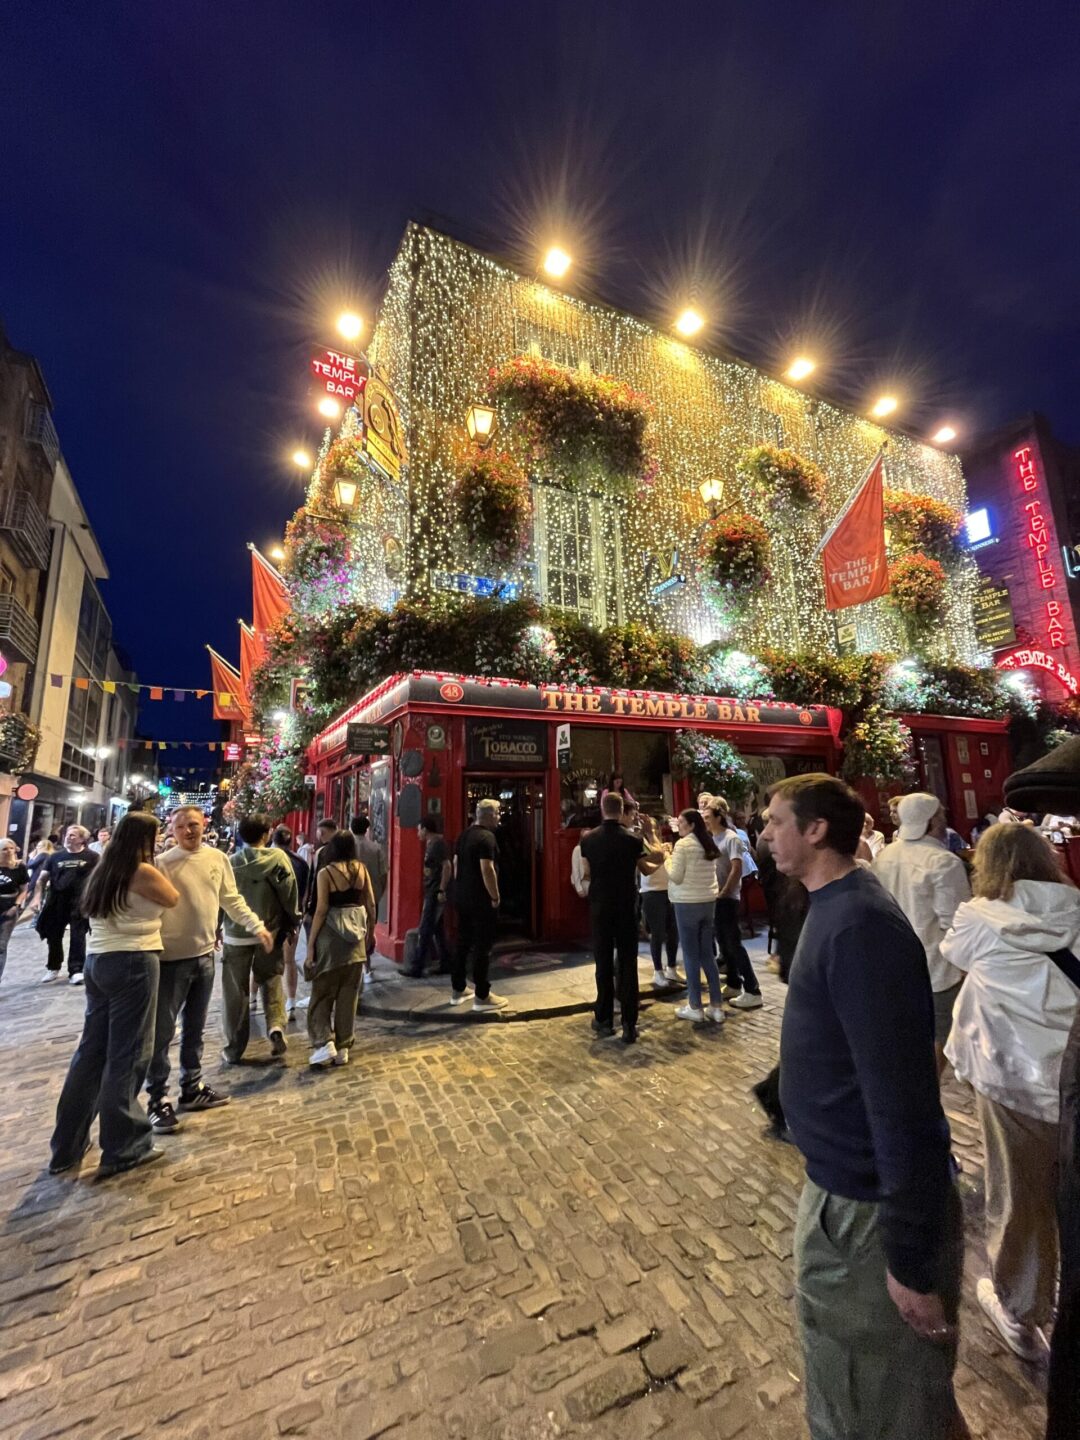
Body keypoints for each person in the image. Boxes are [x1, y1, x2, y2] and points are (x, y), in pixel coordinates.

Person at [762, 774, 965, 1440]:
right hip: (843, 1197)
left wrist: (907, 1258)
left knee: (876, 1406)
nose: (764, 834)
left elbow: (902, 1100)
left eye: (775, 821)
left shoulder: (859, 926)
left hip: (864, 1216)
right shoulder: (834, 907)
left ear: (816, 829)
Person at [942, 824, 1080, 1363]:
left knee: (1018, 1192)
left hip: (1011, 1078)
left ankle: (1021, 1308)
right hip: (1071, 1074)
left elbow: (954, 955)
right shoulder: (1075, 908)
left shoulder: (978, 916)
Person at [49, 812, 180, 1178]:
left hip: (99, 961)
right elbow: (173, 897)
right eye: (156, 835)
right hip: (134, 960)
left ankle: (67, 1145)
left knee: (91, 1052)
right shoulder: (142, 871)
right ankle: (125, 1146)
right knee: (129, 1053)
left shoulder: (104, 869)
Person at [146, 806, 273, 1133]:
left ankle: (192, 1087)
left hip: (204, 956)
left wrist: (256, 925)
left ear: (204, 825)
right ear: (172, 830)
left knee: (195, 1027)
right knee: (162, 1033)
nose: (189, 831)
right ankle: (157, 1100)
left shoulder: (218, 859)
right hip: (170, 959)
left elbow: (231, 899)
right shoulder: (162, 864)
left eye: (193, 824)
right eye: (181, 827)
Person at [873, 793, 971, 1074]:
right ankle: (926, 1092)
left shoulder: (885, 856)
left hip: (895, 961)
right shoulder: (943, 861)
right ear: (932, 821)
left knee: (910, 1034)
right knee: (942, 1034)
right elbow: (956, 923)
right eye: (941, 815)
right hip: (938, 966)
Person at [579, 793, 663, 1043]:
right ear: (620, 810)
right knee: (627, 964)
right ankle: (629, 1023)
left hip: (600, 906)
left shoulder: (588, 839)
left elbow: (586, 871)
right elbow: (653, 861)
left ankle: (604, 1018)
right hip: (626, 906)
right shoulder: (633, 840)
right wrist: (651, 835)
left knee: (603, 963)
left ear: (602, 808)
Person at [220, 815, 300, 1064]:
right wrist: (292, 920)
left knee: (236, 991)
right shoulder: (278, 859)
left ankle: (234, 1048)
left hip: (236, 934)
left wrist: (215, 926)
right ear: (266, 834)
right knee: (271, 979)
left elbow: (222, 897)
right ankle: (276, 1026)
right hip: (270, 931)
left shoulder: (231, 863)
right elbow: (290, 893)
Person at [305, 829, 377, 1067]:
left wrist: (311, 945)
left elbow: (321, 910)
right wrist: (371, 932)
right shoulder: (361, 870)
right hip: (355, 938)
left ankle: (324, 1041)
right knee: (349, 994)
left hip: (330, 938)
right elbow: (370, 903)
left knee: (322, 992)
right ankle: (344, 1045)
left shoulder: (326, 873)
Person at [667, 809, 724, 1025]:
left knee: (690, 956)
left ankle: (695, 1006)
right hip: (708, 902)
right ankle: (716, 1006)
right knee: (707, 954)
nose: (678, 826)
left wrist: (666, 858)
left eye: (681, 822)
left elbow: (675, 876)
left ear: (691, 825)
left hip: (687, 903)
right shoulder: (708, 843)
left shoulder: (682, 845)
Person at [706, 799, 762, 1009]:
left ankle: (753, 989)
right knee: (723, 941)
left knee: (733, 942)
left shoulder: (731, 838)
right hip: (716, 897)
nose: (705, 821)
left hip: (727, 898)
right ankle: (733, 982)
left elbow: (736, 868)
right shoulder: (711, 839)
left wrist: (724, 892)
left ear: (719, 817)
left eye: (708, 817)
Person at [451, 799, 506, 1011]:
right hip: (481, 900)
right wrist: (495, 896)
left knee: (463, 943)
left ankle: (458, 989)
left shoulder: (464, 835)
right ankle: (482, 996)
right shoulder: (487, 838)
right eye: (498, 813)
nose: (499, 817)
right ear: (489, 815)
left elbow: (456, 864)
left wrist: (461, 886)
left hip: (462, 897)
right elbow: (487, 869)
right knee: (483, 947)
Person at [33, 824, 99, 985]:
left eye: (73, 835)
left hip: (80, 902)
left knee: (78, 936)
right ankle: (53, 966)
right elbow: (42, 879)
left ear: (82, 839)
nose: (68, 837)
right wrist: (37, 897)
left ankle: (76, 970)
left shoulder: (92, 857)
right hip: (56, 901)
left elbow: (99, 879)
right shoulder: (55, 857)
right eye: (67, 834)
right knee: (53, 935)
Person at [404, 815, 451, 977]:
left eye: (419, 830)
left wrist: (441, 890)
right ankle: (446, 963)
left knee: (425, 929)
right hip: (432, 890)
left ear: (425, 829)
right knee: (438, 930)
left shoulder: (437, 844)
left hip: (434, 892)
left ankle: (416, 967)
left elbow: (447, 866)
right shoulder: (432, 844)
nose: (418, 833)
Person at [638, 814, 681, 990]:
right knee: (657, 933)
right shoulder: (642, 844)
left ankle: (672, 967)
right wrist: (663, 856)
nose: (654, 830)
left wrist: (668, 855)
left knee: (673, 931)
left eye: (656, 827)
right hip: (652, 892)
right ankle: (658, 971)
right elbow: (646, 864)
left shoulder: (662, 845)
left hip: (669, 890)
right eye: (651, 828)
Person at [273, 824, 310, 1015]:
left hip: (269, 917)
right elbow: (306, 892)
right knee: (289, 960)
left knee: (265, 960)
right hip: (293, 916)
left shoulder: (266, 859)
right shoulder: (301, 862)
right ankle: (291, 1000)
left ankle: (254, 996)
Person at [0, 838, 29, 988]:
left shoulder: (19, 867)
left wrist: (16, 906)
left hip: (9, 908)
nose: (9, 851)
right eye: (5, 849)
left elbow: (24, 890)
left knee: (1, 946)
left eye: (11, 848)